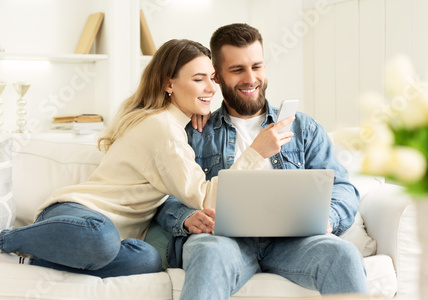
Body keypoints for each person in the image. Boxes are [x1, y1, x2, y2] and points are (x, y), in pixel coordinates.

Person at [0, 38, 294, 278]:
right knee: (101, 239)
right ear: (170, 84)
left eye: (211, 80)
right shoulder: (162, 128)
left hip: (113, 235)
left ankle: (30, 258)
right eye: (199, 79)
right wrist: (255, 153)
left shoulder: (172, 124)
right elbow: (203, 197)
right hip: (79, 217)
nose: (210, 88)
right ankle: (0, 241)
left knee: (147, 259)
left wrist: (193, 116)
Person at [153, 23, 368, 299]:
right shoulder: (194, 132)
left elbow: (343, 188)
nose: (250, 78)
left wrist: (329, 218)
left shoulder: (303, 128)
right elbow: (164, 195)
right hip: (223, 241)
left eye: (257, 66)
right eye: (237, 70)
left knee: (343, 254)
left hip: (294, 243)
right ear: (217, 77)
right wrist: (185, 218)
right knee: (208, 252)